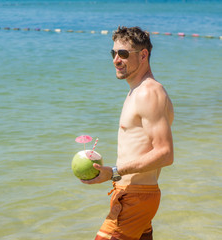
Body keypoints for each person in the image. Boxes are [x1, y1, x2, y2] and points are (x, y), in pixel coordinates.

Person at [82, 26, 174, 240]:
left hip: (136, 197)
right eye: (113, 53)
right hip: (134, 194)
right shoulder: (137, 91)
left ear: (143, 55)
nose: (116, 59)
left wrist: (112, 171)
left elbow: (165, 153)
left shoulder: (149, 93)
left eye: (123, 54)